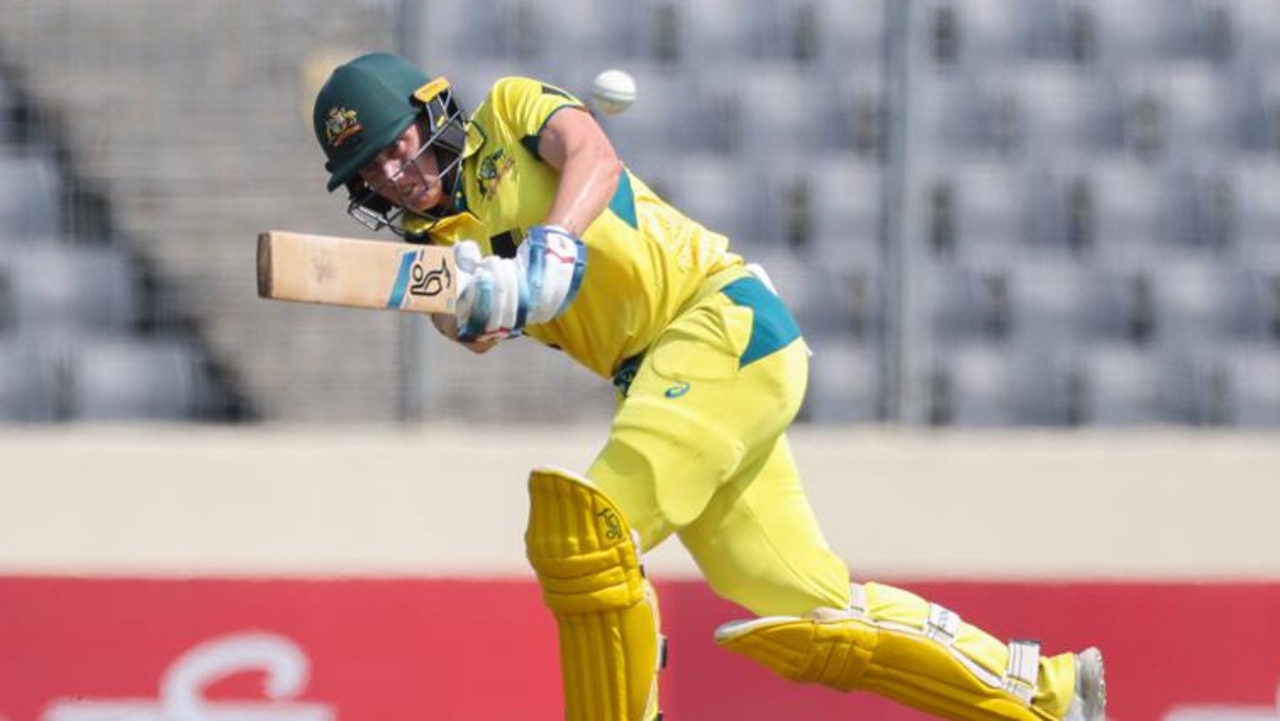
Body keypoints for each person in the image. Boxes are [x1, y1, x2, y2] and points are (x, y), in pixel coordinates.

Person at [310, 51, 1106, 721]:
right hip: (665, 377)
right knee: (807, 600)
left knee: (586, 532)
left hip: (716, 322)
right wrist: (474, 300)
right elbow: (473, 333)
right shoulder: (433, 242)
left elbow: (593, 156)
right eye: (371, 169)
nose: (393, 171)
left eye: (396, 143)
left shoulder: (510, 110)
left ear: (430, 111)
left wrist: (552, 245)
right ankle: (1044, 691)